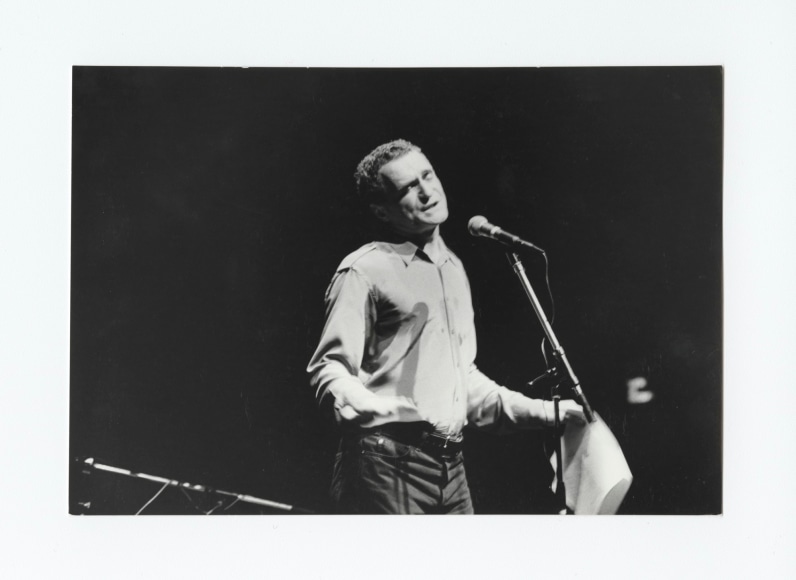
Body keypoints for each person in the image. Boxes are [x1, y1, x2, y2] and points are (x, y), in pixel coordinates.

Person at [307, 139, 584, 514]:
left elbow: (462, 382)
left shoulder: (453, 269)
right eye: (407, 188)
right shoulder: (364, 269)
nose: (426, 191)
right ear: (382, 211)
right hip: (386, 462)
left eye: (428, 175)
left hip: (451, 469)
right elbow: (329, 368)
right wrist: (378, 407)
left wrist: (546, 413)